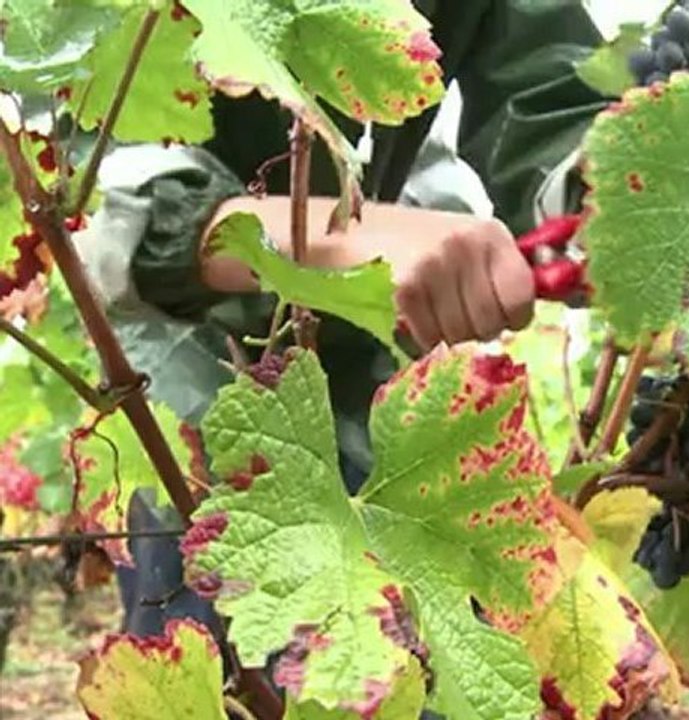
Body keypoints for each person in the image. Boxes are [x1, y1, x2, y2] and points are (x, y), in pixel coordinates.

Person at [80, 0, 607, 645]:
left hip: (372, 375)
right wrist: (330, 244)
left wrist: (614, 194)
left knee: (425, 673)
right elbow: (82, 200)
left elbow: (547, 79)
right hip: (193, 389)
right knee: (225, 672)